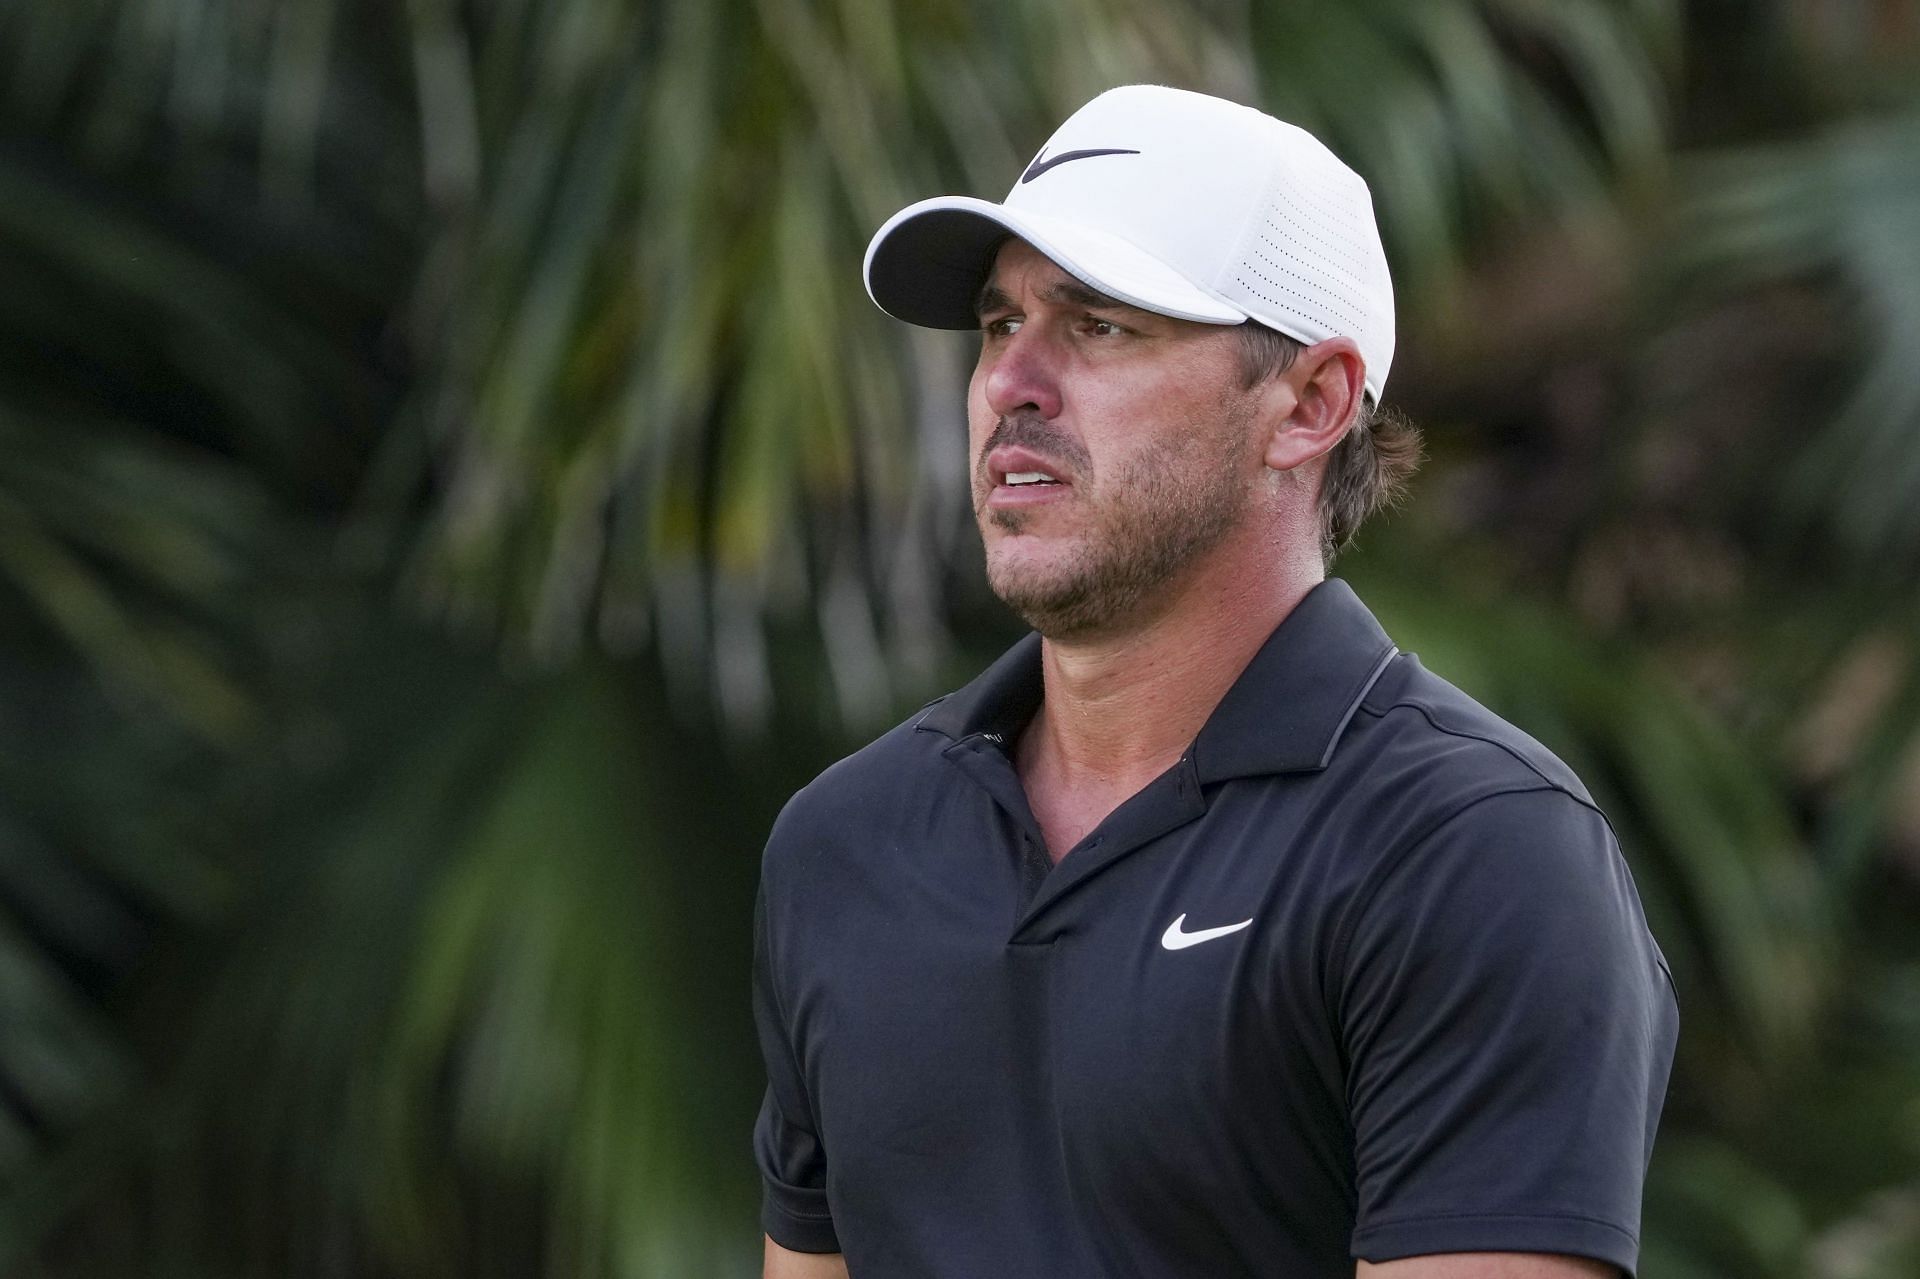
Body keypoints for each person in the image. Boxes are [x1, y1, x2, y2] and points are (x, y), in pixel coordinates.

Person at [752, 84, 1677, 1278]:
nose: (1008, 385)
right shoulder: (846, 841)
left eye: (1100, 327)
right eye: (997, 325)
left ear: (1310, 403)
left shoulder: (1473, 851)